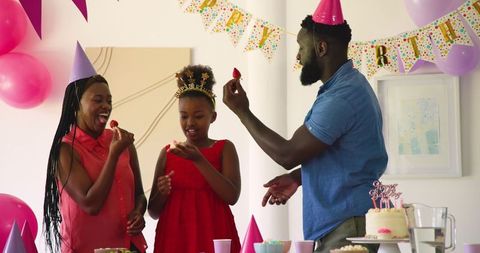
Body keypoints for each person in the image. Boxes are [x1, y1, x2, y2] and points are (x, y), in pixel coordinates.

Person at [222, 0, 388, 252]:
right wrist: (300, 177)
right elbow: (347, 159)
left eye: (301, 47)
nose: (298, 56)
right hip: (347, 223)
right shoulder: (351, 86)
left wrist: (242, 111)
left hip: (348, 226)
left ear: (321, 48)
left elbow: (287, 153)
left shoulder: (341, 97)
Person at [43, 43, 147, 253]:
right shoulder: (65, 150)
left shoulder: (120, 141)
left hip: (127, 246)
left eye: (109, 101)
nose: (106, 106)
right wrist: (114, 154)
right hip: (85, 248)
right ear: (76, 105)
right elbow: (91, 204)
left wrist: (138, 213)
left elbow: (139, 195)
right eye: (97, 100)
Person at [148, 65, 242, 253]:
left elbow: (232, 196)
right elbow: (153, 211)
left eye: (198, 116)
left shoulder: (224, 148)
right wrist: (162, 193)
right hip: (175, 238)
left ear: (213, 117)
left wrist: (199, 160)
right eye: (184, 116)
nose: (190, 122)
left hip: (214, 235)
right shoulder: (167, 153)